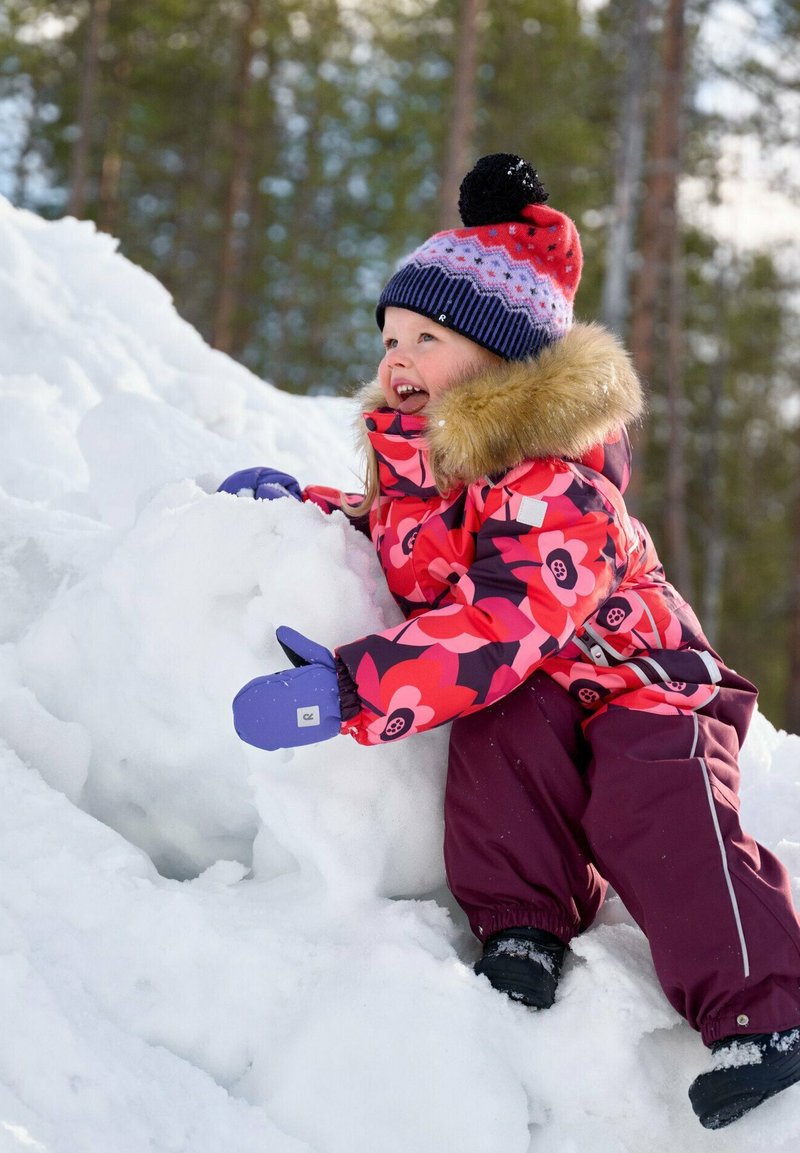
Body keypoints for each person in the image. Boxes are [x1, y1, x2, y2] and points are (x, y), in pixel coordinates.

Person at [218, 154, 800, 1129]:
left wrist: (359, 690)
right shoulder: (424, 470)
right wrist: (314, 513)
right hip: (537, 682)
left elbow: (504, 621)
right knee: (499, 741)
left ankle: (765, 1009)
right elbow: (404, 546)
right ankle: (523, 923)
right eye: (390, 335)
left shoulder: (555, 480)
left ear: (498, 362)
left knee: (654, 804)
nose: (396, 356)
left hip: (644, 682)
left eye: (427, 337)